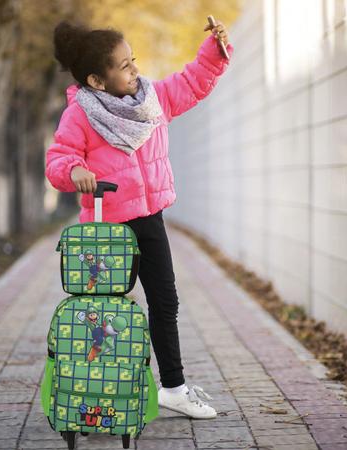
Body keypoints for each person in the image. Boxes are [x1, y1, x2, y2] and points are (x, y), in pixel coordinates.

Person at [45, 18, 233, 419]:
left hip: (150, 221)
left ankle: (174, 387)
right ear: (97, 80)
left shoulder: (151, 99)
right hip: (108, 230)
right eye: (125, 66)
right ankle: (99, 389)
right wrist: (73, 170)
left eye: (133, 60)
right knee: (108, 314)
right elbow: (59, 158)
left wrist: (213, 52)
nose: (135, 70)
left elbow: (191, 83)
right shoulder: (81, 114)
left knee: (165, 303)